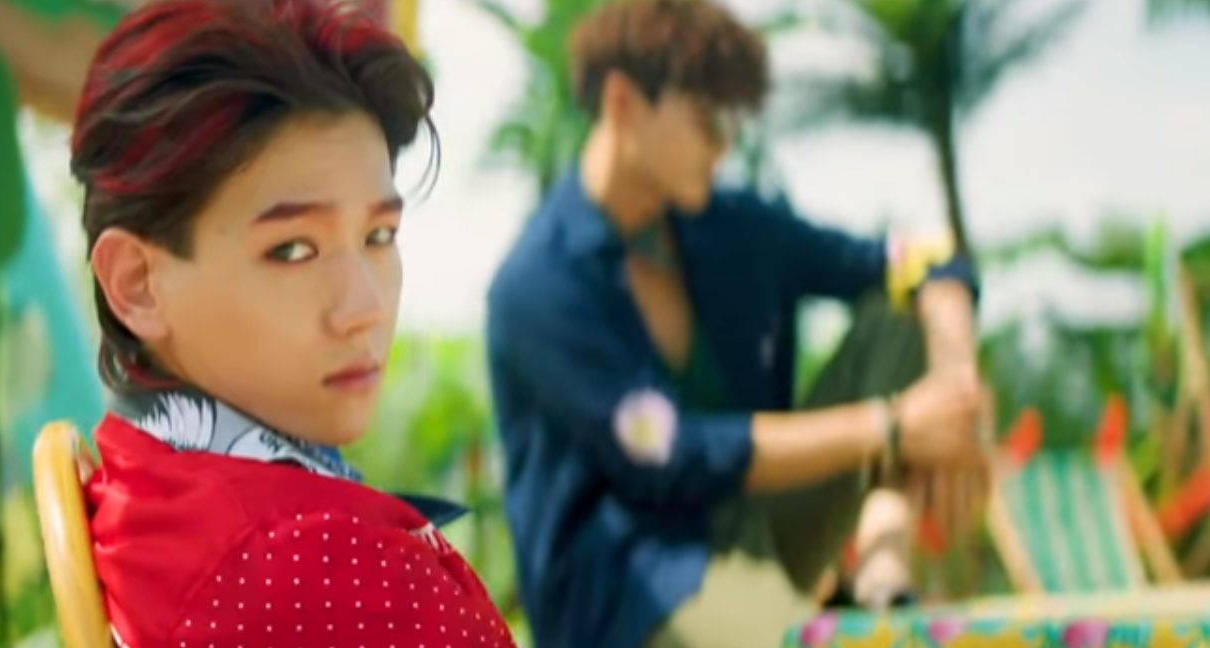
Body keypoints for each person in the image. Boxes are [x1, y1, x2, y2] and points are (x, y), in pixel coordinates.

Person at [483, 1, 990, 647]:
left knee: (903, 313)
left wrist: (955, 396)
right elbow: (670, 453)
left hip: (762, 531)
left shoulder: (734, 227)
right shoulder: (539, 285)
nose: (724, 145)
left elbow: (927, 263)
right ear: (623, 103)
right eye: (706, 121)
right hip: (632, 588)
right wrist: (892, 427)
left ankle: (879, 562)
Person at [70, 2, 516, 647]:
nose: (364, 307)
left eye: (379, 235)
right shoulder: (325, 570)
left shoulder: (142, 489)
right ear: (137, 283)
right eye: (292, 249)